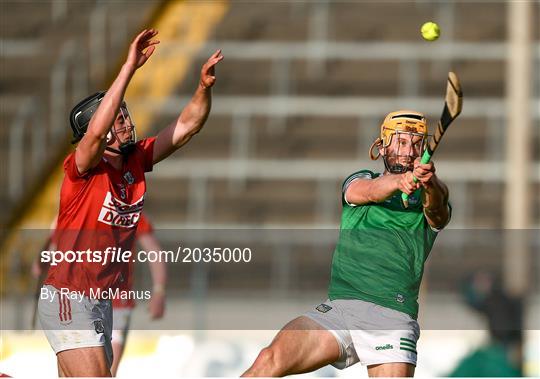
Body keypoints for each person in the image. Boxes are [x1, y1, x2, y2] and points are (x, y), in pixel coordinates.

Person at [37, 28, 223, 377]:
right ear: (101, 128)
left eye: (124, 114)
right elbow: (92, 135)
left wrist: (203, 89)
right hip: (69, 295)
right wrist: (129, 68)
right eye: (117, 117)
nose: (126, 122)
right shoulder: (83, 168)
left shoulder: (136, 159)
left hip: (101, 301)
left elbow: (187, 126)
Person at [243, 110, 451, 377]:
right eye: (401, 141)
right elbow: (365, 191)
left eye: (415, 143)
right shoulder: (361, 179)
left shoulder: (429, 196)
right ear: (383, 145)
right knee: (268, 360)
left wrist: (430, 182)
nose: (408, 150)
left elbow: (439, 210)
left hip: (392, 316)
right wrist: (398, 181)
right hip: (340, 309)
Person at [32, 213, 168, 377]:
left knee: (105, 372)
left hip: (116, 303)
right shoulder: (75, 210)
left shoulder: (127, 208)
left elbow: (153, 251)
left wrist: (159, 290)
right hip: (79, 303)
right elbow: (43, 262)